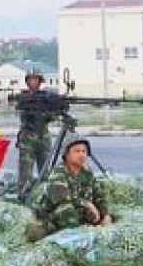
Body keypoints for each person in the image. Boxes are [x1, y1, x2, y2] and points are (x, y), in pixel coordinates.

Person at [26, 137, 115, 241]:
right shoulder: (58, 173)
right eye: (77, 151)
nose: (82, 155)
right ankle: (77, 238)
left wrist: (106, 215)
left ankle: (84, 233)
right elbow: (61, 200)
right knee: (65, 210)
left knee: (109, 216)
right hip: (54, 215)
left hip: (78, 212)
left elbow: (99, 195)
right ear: (66, 155)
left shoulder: (87, 173)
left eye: (84, 151)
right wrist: (86, 204)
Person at [13, 71, 60, 201]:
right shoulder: (23, 97)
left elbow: (52, 117)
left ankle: (45, 196)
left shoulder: (46, 96)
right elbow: (25, 112)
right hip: (28, 138)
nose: (33, 82)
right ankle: (23, 196)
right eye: (31, 79)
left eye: (36, 80)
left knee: (45, 169)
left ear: (40, 82)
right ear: (27, 81)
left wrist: (53, 107)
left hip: (43, 137)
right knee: (25, 171)